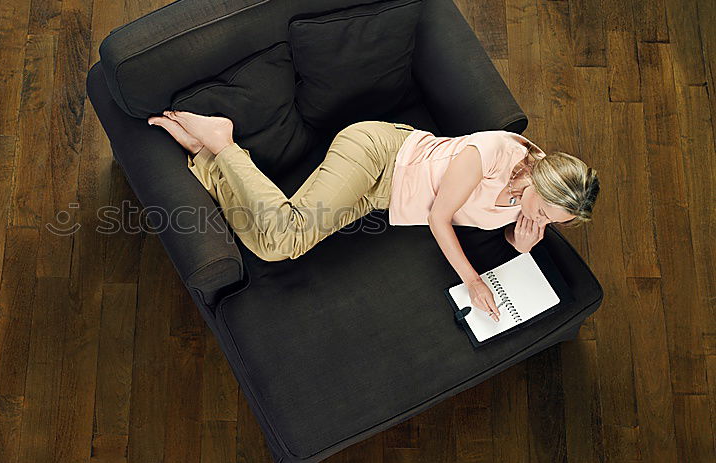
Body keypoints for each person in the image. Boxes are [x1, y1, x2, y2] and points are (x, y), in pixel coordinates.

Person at [147, 110, 599, 322]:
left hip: (384, 198)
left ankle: (210, 159)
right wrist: (474, 280)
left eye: (554, 220)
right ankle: (223, 141)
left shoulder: (533, 204)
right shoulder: (495, 152)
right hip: (380, 155)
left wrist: (522, 245)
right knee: (287, 231)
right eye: (543, 208)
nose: (539, 217)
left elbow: (503, 228)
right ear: (541, 180)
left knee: (273, 245)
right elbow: (441, 217)